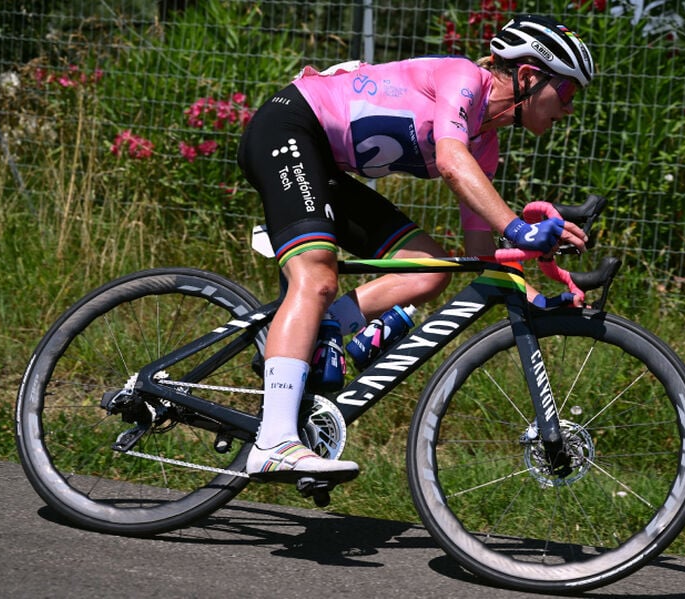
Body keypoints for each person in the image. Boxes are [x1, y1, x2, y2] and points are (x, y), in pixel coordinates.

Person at [236, 14, 596, 479]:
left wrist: (532, 293)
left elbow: (483, 257)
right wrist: (517, 227)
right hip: (289, 128)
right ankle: (275, 442)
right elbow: (449, 159)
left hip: (323, 166)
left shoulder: (485, 147)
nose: (569, 109)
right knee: (318, 275)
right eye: (566, 93)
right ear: (528, 76)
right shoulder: (465, 80)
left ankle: (319, 327)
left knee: (429, 270)